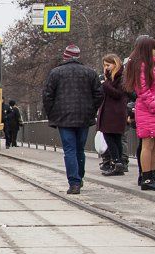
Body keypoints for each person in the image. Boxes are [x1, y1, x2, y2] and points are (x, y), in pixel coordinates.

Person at [42, 44, 103, 194]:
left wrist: (52, 114)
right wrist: (91, 110)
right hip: (84, 117)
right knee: (79, 149)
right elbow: (99, 95)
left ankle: (74, 183)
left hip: (63, 118)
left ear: (65, 57)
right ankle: (79, 177)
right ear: (78, 56)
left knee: (69, 149)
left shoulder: (55, 73)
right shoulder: (90, 73)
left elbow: (47, 96)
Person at [123, 36, 155, 191]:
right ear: (147, 49)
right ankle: (147, 177)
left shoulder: (149, 65)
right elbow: (142, 89)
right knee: (148, 143)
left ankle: (152, 174)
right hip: (148, 108)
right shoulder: (141, 66)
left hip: (154, 108)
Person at [97, 54, 128, 176]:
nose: (106, 68)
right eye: (104, 65)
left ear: (115, 64)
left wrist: (104, 84)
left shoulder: (121, 77)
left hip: (114, 112)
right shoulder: (111, 77)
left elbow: (118, 93)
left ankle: (117, 162)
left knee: (112, 137)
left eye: (108, 65)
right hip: (110, 111)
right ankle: (117, 163)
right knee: (114, 138)